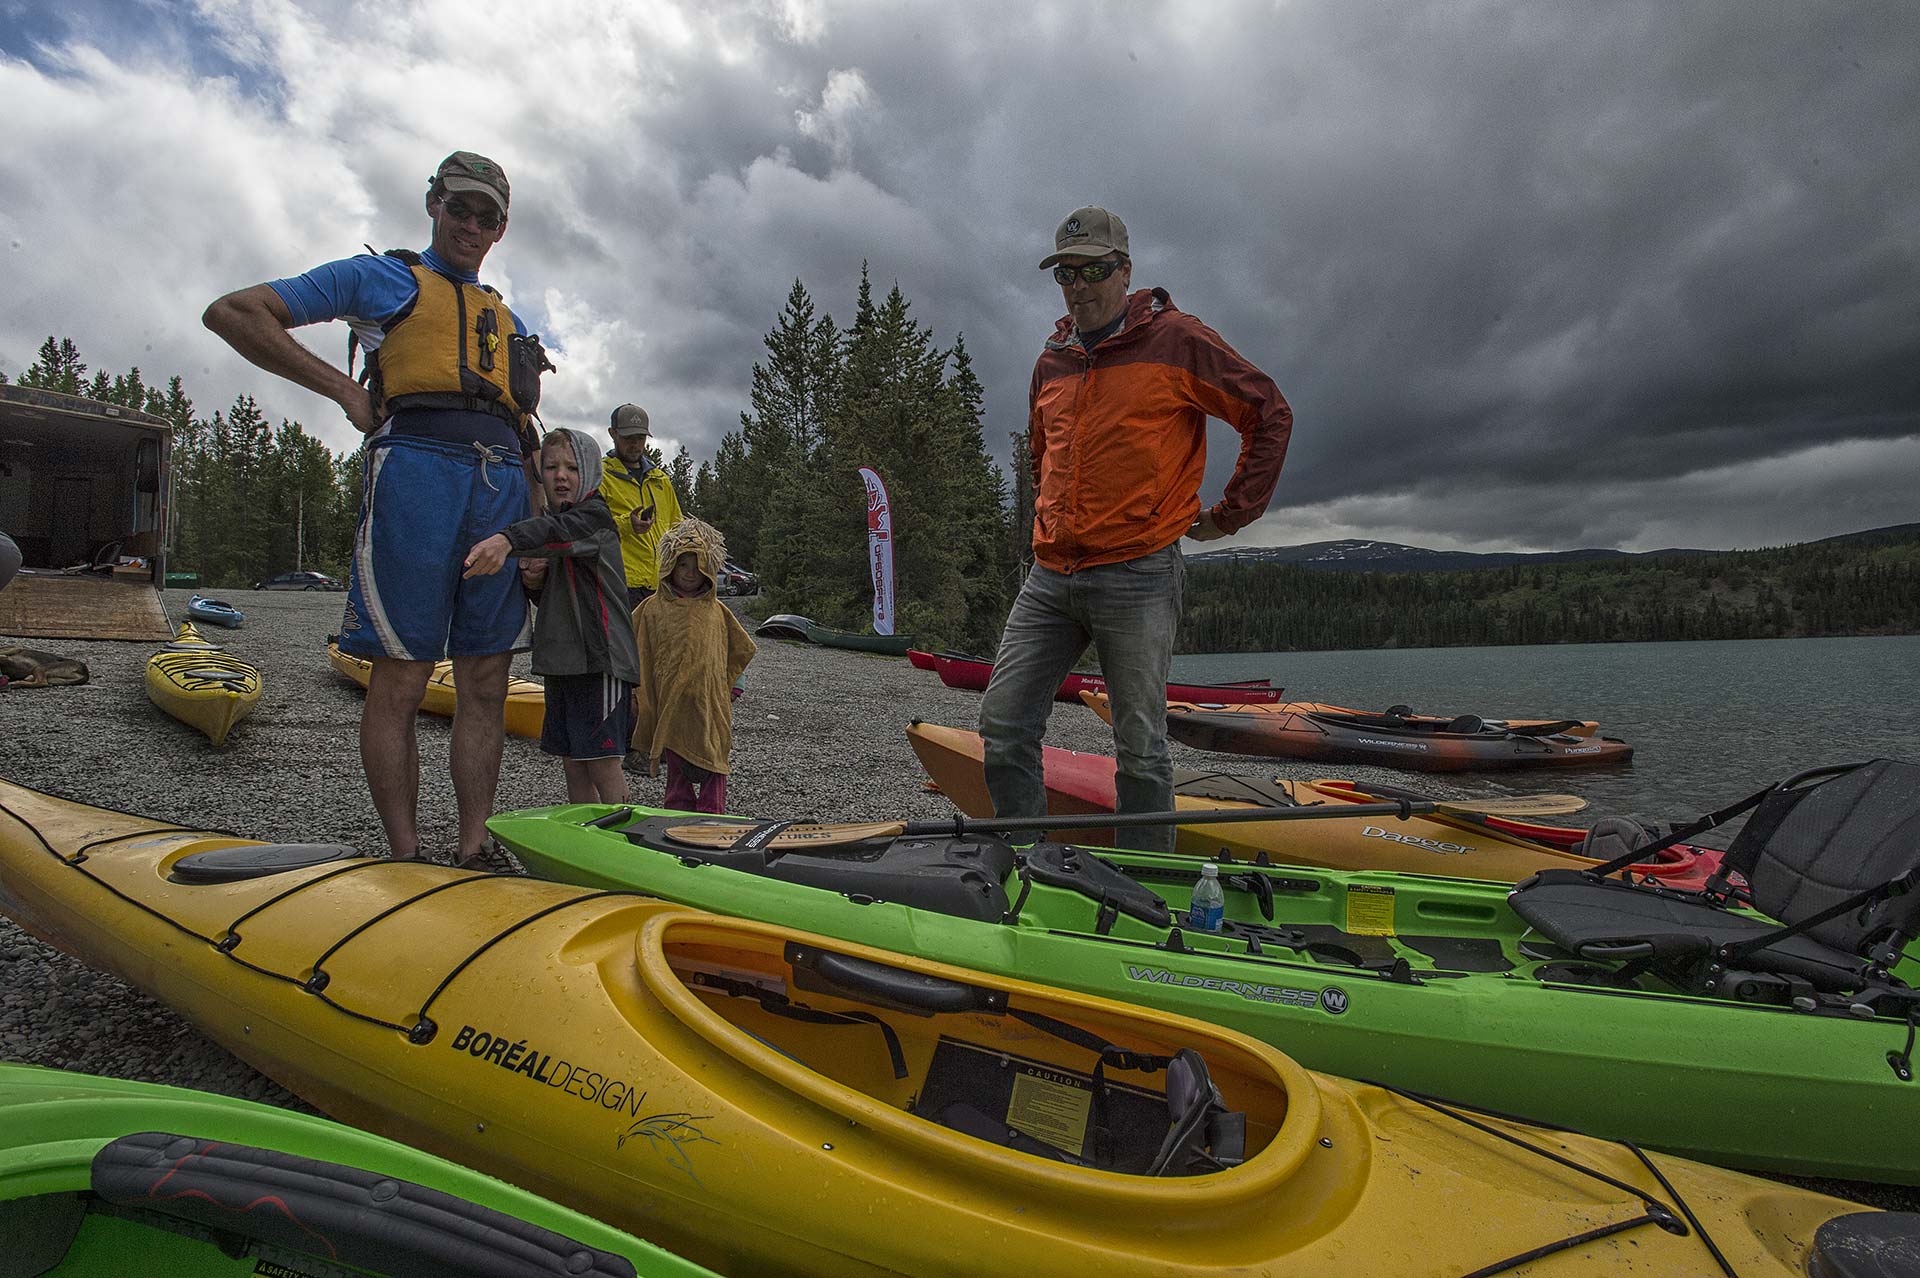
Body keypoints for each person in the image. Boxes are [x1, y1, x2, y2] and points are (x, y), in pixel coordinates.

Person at [202, 150, 549, 864]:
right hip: (416, 475)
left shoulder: (505, 318)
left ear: (501, 229)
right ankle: (404, 850)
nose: (472, 225)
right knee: (402, 672)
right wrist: (344, 391)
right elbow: (236, 312)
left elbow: (525, 430)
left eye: (488, 217)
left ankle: (474, 844)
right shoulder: (382, 277)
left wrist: (536, 527)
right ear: (434, 204)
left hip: (503, 488)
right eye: (460, 208)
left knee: (485, 679)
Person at [980, 206, 1294, 853]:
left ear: (1125, 271)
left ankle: (1151, 892)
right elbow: (1044, 453)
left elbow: (1267, 411)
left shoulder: (1178, 341)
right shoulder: (1053, 360)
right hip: (1052, 575)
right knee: (1005, 722)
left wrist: (1230, 515)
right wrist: (1051, 515)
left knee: (1141, 745)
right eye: (1067, 272)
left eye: (1094, 269)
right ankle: (1021, 865)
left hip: (1139, 572)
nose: (1080, 284)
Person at [464, 428, 638, 804]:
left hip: (601, 663)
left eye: (572, 467)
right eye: (551, 466)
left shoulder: (593, 518)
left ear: (590, 471)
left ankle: (628, 840)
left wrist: (507, 539)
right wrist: (534, 581)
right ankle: (586, 839)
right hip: (563, 666)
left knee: (603, 763)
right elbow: (555, 599)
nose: (561, 475)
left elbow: (555, 531)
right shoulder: (556, 526)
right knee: (574, 762)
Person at [629, 518, 756, 813]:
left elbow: (735, 650)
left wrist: (735, 686)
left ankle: (712, 814)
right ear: (670, 564)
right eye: (683, 564)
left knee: (713, 758)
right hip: (671, 704)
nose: (689, 573)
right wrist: (636, 691)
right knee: (676, 760)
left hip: (709, 704)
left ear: (709, 568)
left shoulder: (715, 611)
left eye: (697, 565)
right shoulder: (653, 609)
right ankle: (677, 810)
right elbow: (635, 646)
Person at [601, 404, 684, 611]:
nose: (635, 444)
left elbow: (677, 527)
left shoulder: (660, 480)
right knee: (623, 644)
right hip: (618, 584)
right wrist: (627, 524)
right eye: (628, 438)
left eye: (640, 438)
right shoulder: (601, 476)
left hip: (660, 586)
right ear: (613, 433)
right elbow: (591, 527)